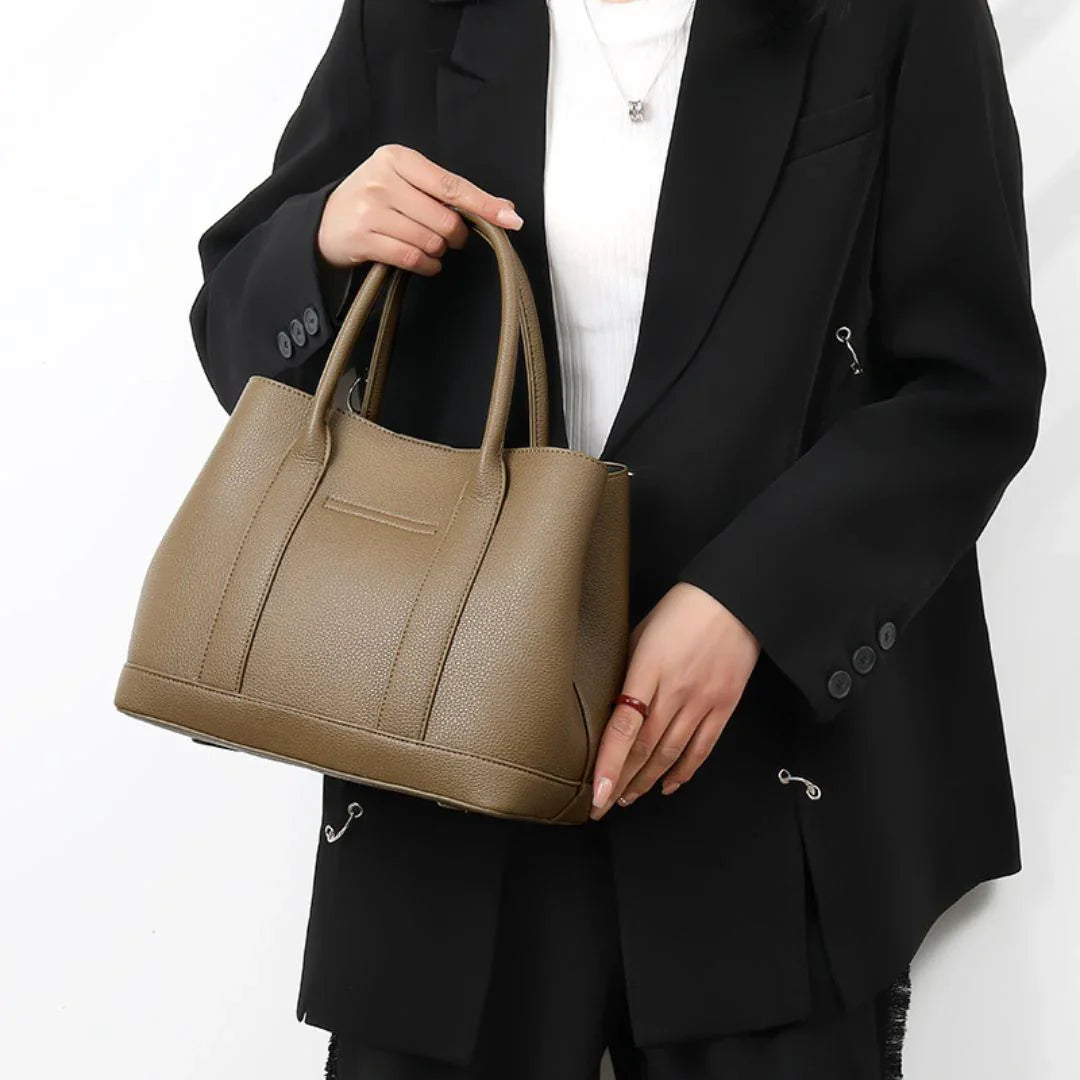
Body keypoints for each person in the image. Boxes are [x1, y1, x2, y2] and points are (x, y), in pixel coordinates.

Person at [188, 0, 1046, 1076]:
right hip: (447, 769)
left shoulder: (896, 18)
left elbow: (972, 384)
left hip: (759, 787)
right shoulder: (415, 16)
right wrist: (323, 238)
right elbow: (236, 332)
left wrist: (750, 601)